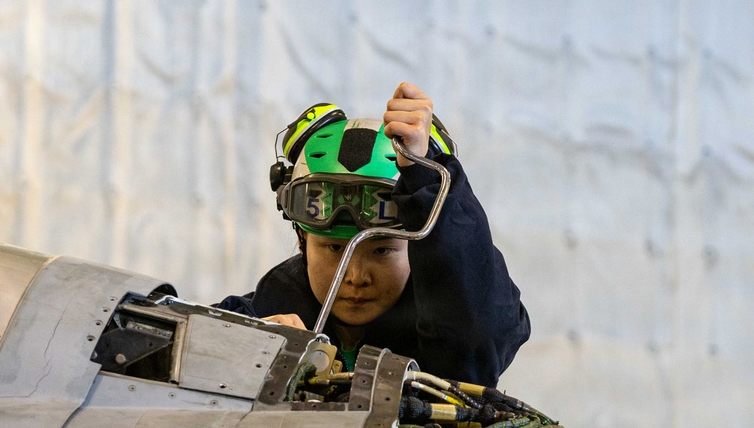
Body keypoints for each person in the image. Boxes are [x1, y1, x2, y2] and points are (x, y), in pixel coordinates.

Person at [217, 82, 529, 386]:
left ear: (418, 250)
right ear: (303, 241)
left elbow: (480, 338)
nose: (354, 276)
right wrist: (241, 343)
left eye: (381, 251)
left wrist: (427, 185)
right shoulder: (267, 311)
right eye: (335, 249)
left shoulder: (450, 327)